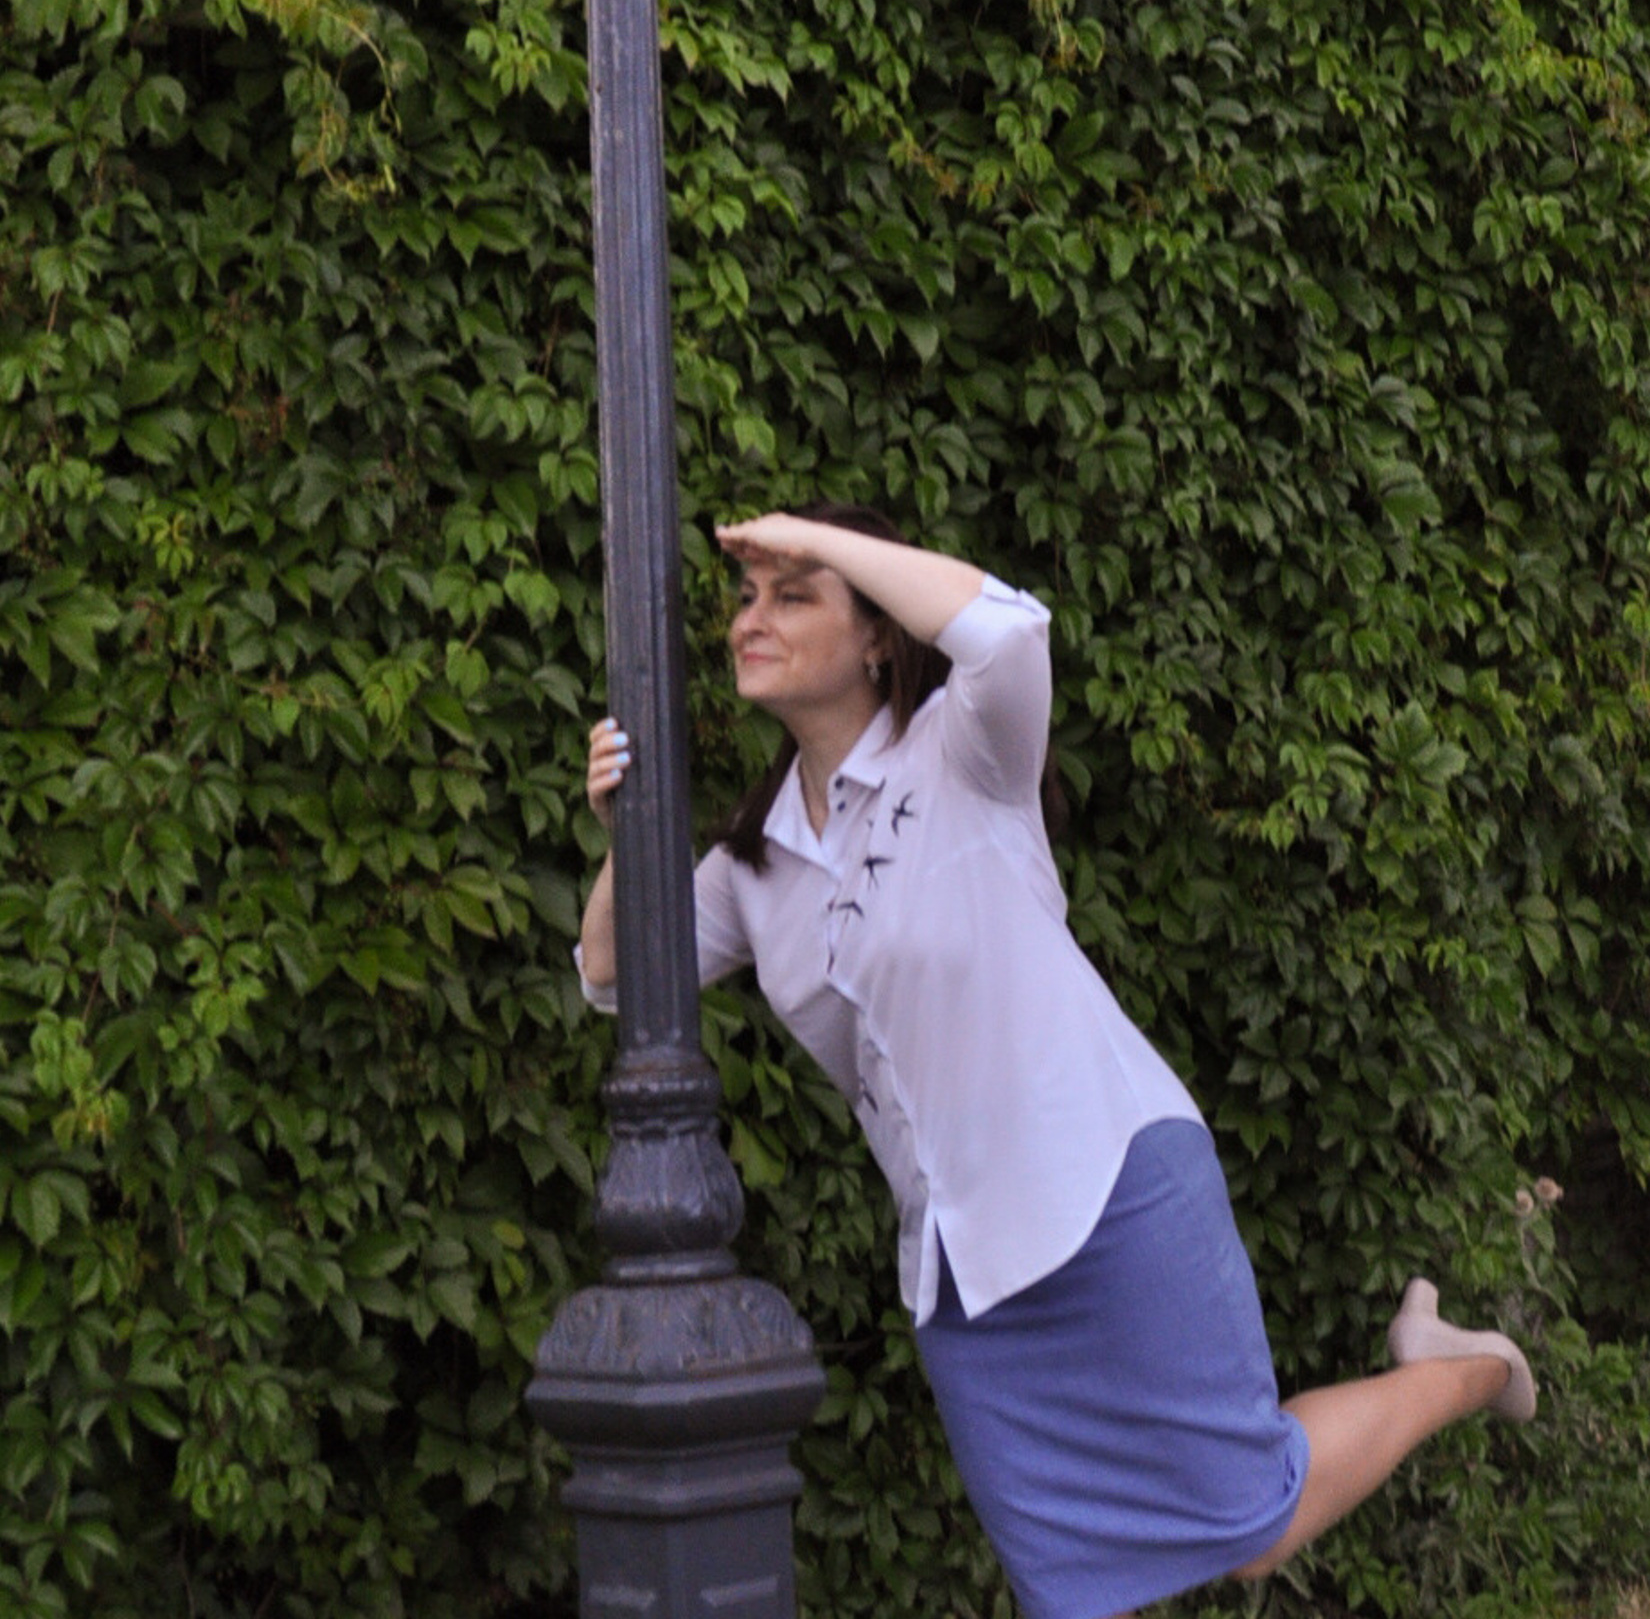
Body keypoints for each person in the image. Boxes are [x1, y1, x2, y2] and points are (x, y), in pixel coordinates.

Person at [575, 504, 1534, 1619]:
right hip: (960, 1267)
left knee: (1253, 1524)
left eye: (795, 596)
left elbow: (1007, 630)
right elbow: (614, 973)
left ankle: (1459, 1367)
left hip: (1107, 1183)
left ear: (877, 636)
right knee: (1068, 1591)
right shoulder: (756, 862)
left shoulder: (965, 750)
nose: (753, 618)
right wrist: (626, 829)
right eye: (748, 598)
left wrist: (821, 535)